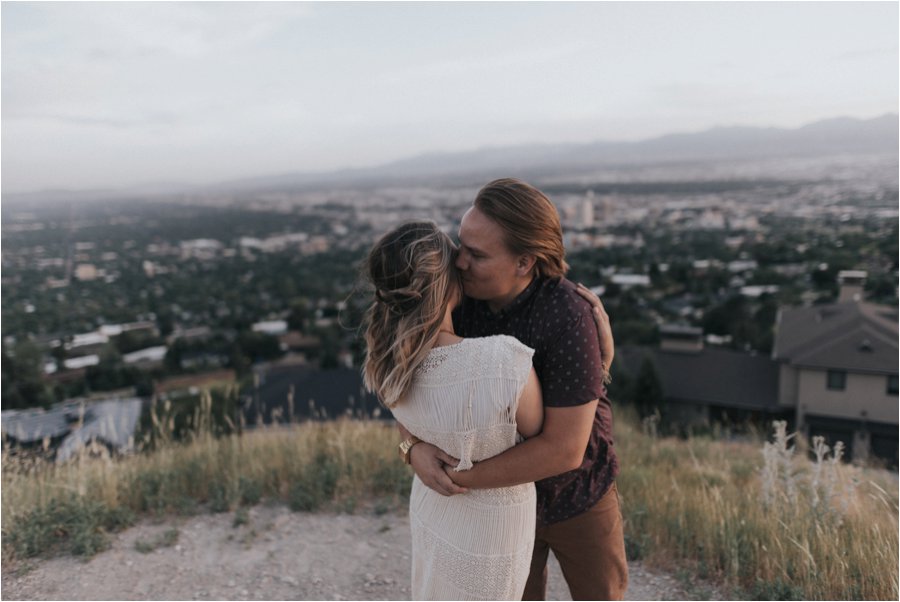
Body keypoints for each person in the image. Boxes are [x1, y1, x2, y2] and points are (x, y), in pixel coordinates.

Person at [402, 178, 628, 601]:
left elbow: (564, 449)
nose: (460, 263)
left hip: (575, 496)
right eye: (460, 245)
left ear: (524, 262)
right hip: (497, 508)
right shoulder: (453, 302)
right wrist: (412, 446)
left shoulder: (567, 317)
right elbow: (418, 387)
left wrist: (456, 478)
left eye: (477, 254)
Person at [362, 220, 545, 600]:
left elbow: (411, 423)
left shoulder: (388, 363)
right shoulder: (502, 362)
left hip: (432, 506)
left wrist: (410, 450)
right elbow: (541, 430)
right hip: (493, 527)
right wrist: (604, 361)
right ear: (444, 283)